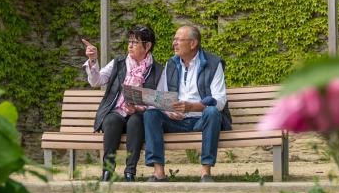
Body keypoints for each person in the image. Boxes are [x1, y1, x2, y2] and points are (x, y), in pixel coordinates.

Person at [143, 25, 231, 183]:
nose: (174, 43)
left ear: (193, 43)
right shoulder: (171, 64)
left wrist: (192, 107)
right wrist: (168, 111)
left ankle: (205, 172)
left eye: (178, 40)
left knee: (212, 112)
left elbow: (220, 101)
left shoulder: (213, 63)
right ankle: (159, 173)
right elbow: (160, 96)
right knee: (150, 114)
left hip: (201, 119)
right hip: (176, 119)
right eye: (174, 40)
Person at [83, 26, 163, 182]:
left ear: (147, 46)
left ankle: (130, 171)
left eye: (135, 42)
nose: (130, 45)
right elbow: (96, 81)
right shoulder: (119, 62)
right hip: (117, 112)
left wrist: (139, 107)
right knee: (112, 120)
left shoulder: (158, 70)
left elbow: (159, 100)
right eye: (130, 41)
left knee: (136, 121)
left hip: (138, 114)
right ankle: (107, 170)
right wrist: (93, 60)